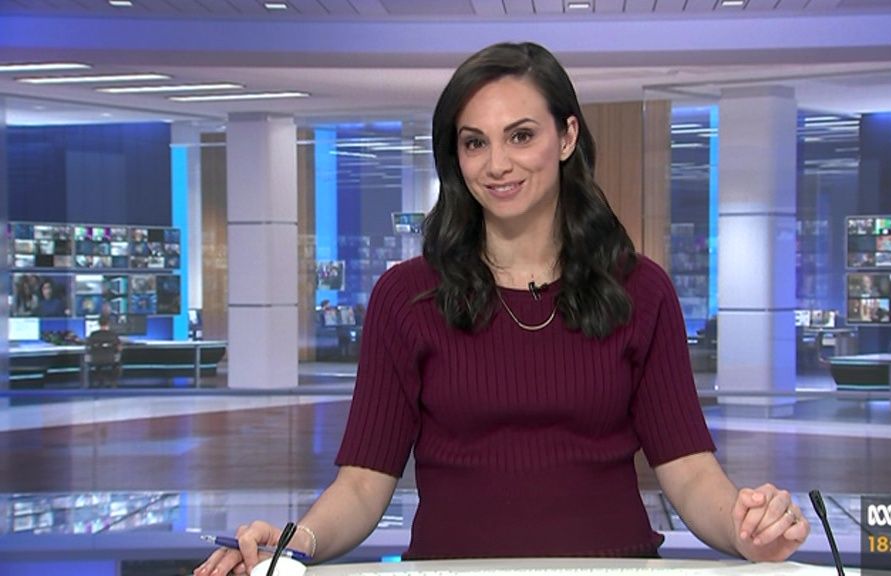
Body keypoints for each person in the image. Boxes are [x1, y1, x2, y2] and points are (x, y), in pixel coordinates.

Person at [195, 42, 808, 575]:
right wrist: (293, 544)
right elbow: (362, 483)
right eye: (474, 142)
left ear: (566, 137)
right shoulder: (406, 298)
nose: (497, 164)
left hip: (611, 569)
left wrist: (746, 531)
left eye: (521, 135)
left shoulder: (640, 291)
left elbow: (690, 473)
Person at [86, 313, 123, 387]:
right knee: (119, 361)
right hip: (110, 359)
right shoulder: (113, 335)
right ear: (108, 323)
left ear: (98, 323)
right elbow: (119, 348)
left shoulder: (93, 334)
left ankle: (98, 381)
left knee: (95, 363)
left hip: (95, 360)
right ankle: (113, 382)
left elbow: (88, 346)